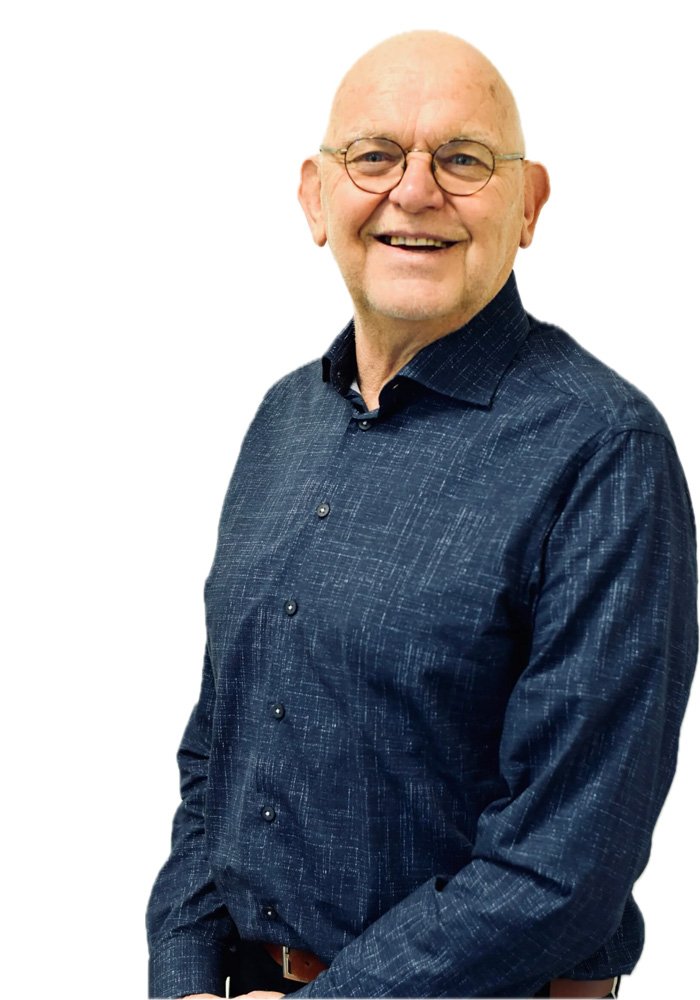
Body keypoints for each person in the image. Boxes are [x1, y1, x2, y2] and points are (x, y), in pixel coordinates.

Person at [146, 30, 697, 1000]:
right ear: (316, 197)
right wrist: (185, 973)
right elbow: (218, 751)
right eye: (374, 156)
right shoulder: (283, 420)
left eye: (463, 159)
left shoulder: (604, 450)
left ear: (528, 205)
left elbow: (565, 865)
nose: (414, 191)